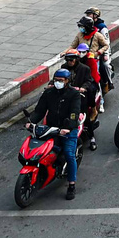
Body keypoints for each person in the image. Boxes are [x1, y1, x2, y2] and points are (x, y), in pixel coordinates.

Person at [33, 67, 86, 199]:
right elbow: (39, 110)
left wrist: (68, 127)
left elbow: (74, 113)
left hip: (68, 129)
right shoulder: (49, 93)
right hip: (50, 128)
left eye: (61, 80)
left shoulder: (74, 94)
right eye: (56, 80)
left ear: (67, 81)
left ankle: (71, 185)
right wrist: (30, 122)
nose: (58, 83)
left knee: (69, 154)